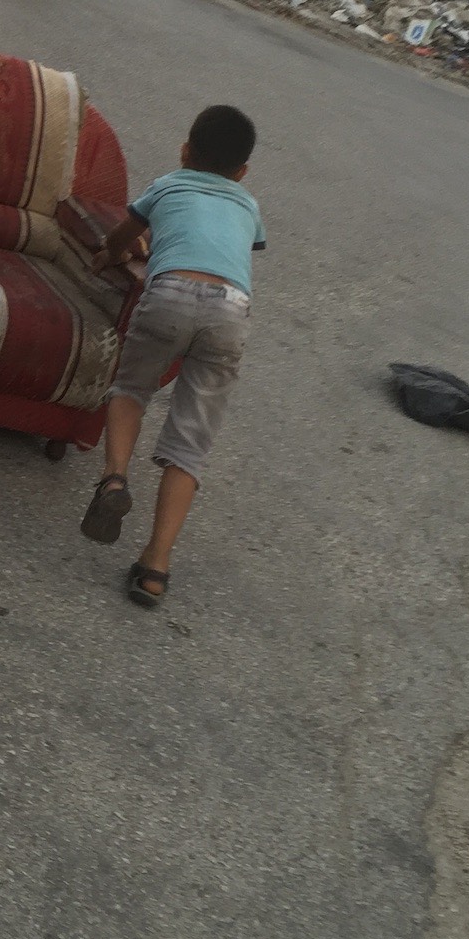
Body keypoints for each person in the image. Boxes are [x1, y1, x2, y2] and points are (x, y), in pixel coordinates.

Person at [80, 105, 265, 607]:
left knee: (131, 388)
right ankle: (155, 568)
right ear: (243, 171)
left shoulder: (167, 184)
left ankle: (115, 476)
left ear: (185, 151)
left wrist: (115, 253)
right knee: (191, 440)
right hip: (230, 311)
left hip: (170, 295)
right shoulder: (248, 204)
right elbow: (233, 247)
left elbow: (122, 235)